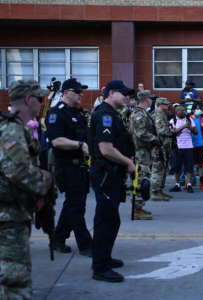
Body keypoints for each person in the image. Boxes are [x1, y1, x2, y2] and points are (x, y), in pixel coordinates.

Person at [0, 80, 53, 299]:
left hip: (14, 213)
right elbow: (19, 172)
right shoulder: (11, 130)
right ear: (28, 100)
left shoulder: (17, 128)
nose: (41, 103)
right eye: (39, 99)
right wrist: (47, 180)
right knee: (15, 280)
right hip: (8, 217)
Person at [89, 80, 136, 282]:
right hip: (106, 174)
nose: (127, 97)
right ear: (112, 93)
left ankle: (104, 258)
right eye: (124, 93)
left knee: (111, 219)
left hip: (112, 175)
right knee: (105, 220)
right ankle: (100, 268)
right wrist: (128, 163)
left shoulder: (112, 113)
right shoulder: (105, 114)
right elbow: (106, 149)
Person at [45, 78, 93, 256]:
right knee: (76, 206)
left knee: (74, 204)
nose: (81, 94)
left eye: (82, 91)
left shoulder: (78, 113)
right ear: (66, 93)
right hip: (66, 166)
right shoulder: (56, 113)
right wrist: (79, 145)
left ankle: (58, 239)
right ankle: (86, 244)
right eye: (77, 91)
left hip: (80, 167)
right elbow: (57, 141)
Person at [129, 90, 161, 219]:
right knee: (141, 181)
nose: (152, 101)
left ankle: (138, 207)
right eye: (151, 98)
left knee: (143, 180)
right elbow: (141, 133)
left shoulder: (143, 113)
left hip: (144, 152)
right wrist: (156, 139)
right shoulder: (139, 114)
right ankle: (137, 209)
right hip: (140, 152)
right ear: (146, 100)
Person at [169, 105, 198, 193]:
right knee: (177, 167)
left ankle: (188, 184)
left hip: (189, 146)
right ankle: (177, 185)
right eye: (182, 111)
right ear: (177, 112)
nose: (184, 112)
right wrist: (184, 126)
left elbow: (196, 132)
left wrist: (189, 127)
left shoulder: (189, 120)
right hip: (178, 147)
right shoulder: (172, 120)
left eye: (184, 110)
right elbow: (173, 132)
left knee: (189, 167)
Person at [151, 97, 174, 201]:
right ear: (160, 105)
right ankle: (155, 192)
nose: (167, 106)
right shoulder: (157, 115)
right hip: (159, 146)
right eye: (166, 104)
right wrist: (172, 131)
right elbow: (161, 131)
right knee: (158, 169)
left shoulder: (163, 115)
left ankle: (160, 190)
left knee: (163, 169)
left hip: (164, 146)